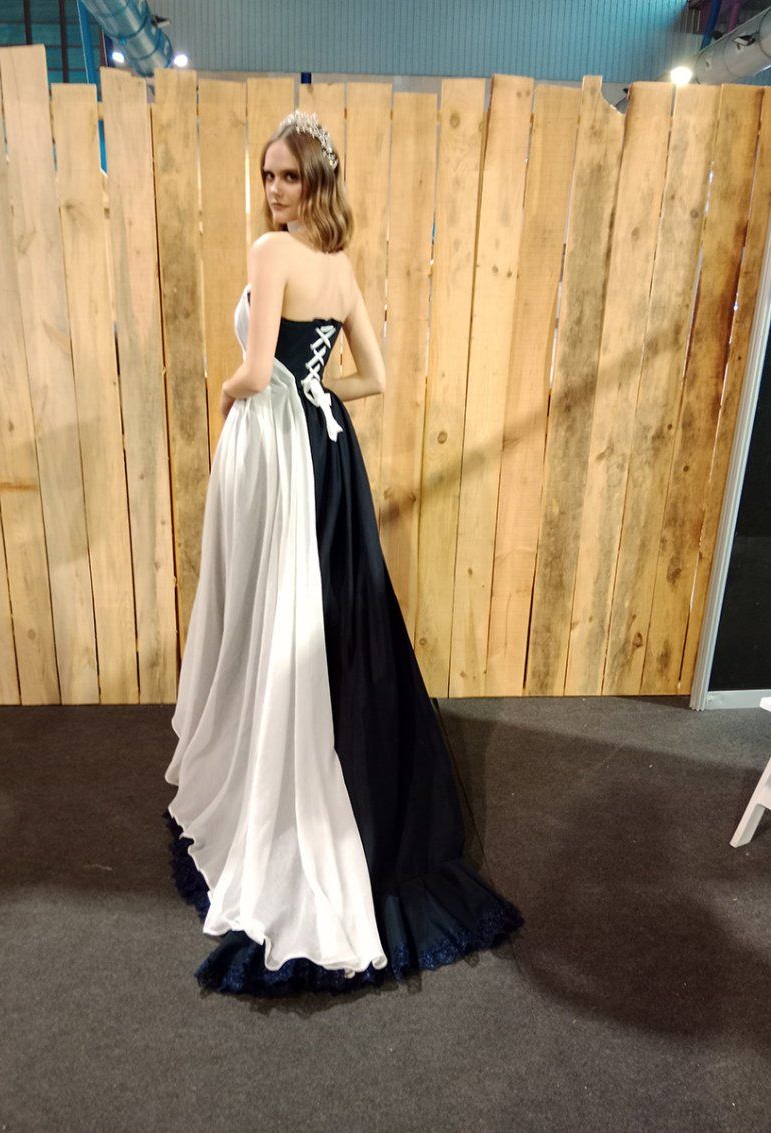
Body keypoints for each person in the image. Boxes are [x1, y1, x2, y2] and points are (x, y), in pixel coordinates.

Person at [163, 109, 524, 997]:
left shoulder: (272, 252)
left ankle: (281, 773)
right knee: (320, 610)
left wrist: (231, 392)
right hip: (329, 454)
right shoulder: (338, 266)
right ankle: (324, 759)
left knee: (276, 607)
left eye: (288, 175)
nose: (273, 190)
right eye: (268, 175)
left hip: (276, 448)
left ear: (315, 182)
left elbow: (256, 371)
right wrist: (317, 389)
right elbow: (376, 377)